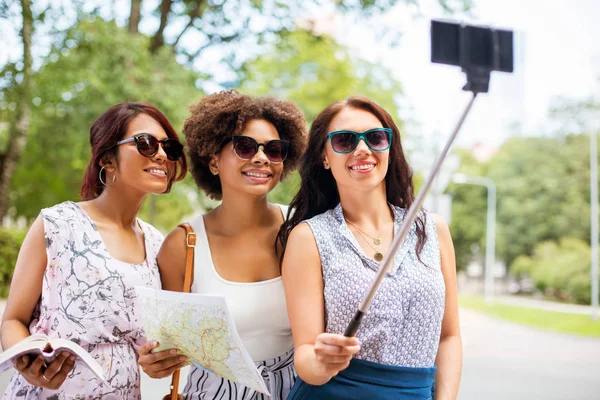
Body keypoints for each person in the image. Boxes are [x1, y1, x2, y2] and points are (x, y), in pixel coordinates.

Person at [278, 96, 462, 399]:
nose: (362, 149)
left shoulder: (432, 230)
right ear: (324, 157)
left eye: (375, 138)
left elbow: (449, 336)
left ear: (389, 148)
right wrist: (322, 361)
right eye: (344, 140)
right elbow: (306, 359)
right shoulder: (308, 237)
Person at [1, 102, 187, 399]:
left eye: (169, 147)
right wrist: (28, 366)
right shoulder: (57, 224)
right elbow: (13, 321)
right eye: (146, 144)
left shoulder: (156, 243)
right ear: (107, 160)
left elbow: (151, 347)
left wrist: (156, 363)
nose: (162, 155)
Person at [137, 90, 307, 399]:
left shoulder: (303, 229)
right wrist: (154, 361)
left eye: (274, 149)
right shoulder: (183, 245)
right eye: (244, 147)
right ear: (214, 162)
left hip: (297, 389)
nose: (261, 157)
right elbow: (164, 348)